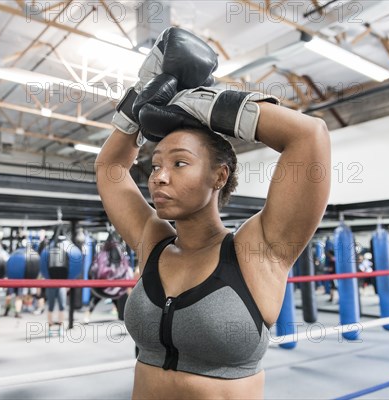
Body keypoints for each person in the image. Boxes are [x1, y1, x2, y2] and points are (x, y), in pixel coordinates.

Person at [95, 27, 331, 399]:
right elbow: (110, 168)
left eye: (179, 163)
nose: (159, 177)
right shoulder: (152, 241)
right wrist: (138, 100)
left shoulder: (258, 250)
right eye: (155, 166)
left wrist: (210, 101)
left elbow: (309, 136)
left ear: (219, 175)